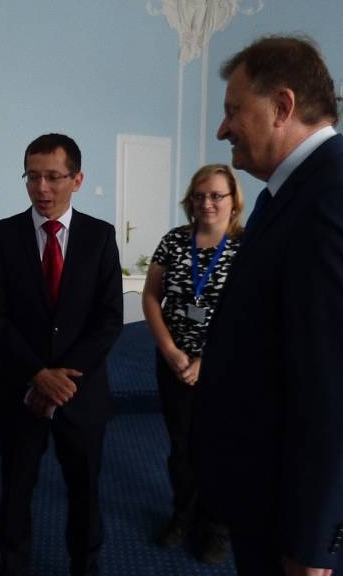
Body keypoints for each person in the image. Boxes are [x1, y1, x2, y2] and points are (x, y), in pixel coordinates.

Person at [193, 35, 343, 576]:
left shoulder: (342, 199)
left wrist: (312, 549)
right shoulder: (293, 194)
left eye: (233, 111)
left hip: (295, 511)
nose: (222, 129)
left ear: (282, 107)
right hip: (268, 482)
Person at [0, 133, 123, 576]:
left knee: (85, 492)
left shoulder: (100, 237)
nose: (42, 188)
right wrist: (38, 373)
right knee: (16, 491)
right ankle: (13, 566)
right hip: (19, 391)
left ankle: (86, 566)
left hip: (82, 395)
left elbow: (109, 319)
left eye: (53, 177)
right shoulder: (0, 236)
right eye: (33, 176)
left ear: (76, 179)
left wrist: (60, 380)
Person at [142, 164, 243, 563]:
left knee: (221, 447)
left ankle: (218, 525)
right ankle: (183, 514)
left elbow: (247, 314)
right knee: (181, 447)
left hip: (224, 368)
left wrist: (206, 359)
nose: (207, 202)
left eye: (217, 195)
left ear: (233, 200)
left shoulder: (245, 247)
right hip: (173, 362)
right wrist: (170, 351)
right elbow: (151, 298)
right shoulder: (173, 241)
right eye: (200, 195)